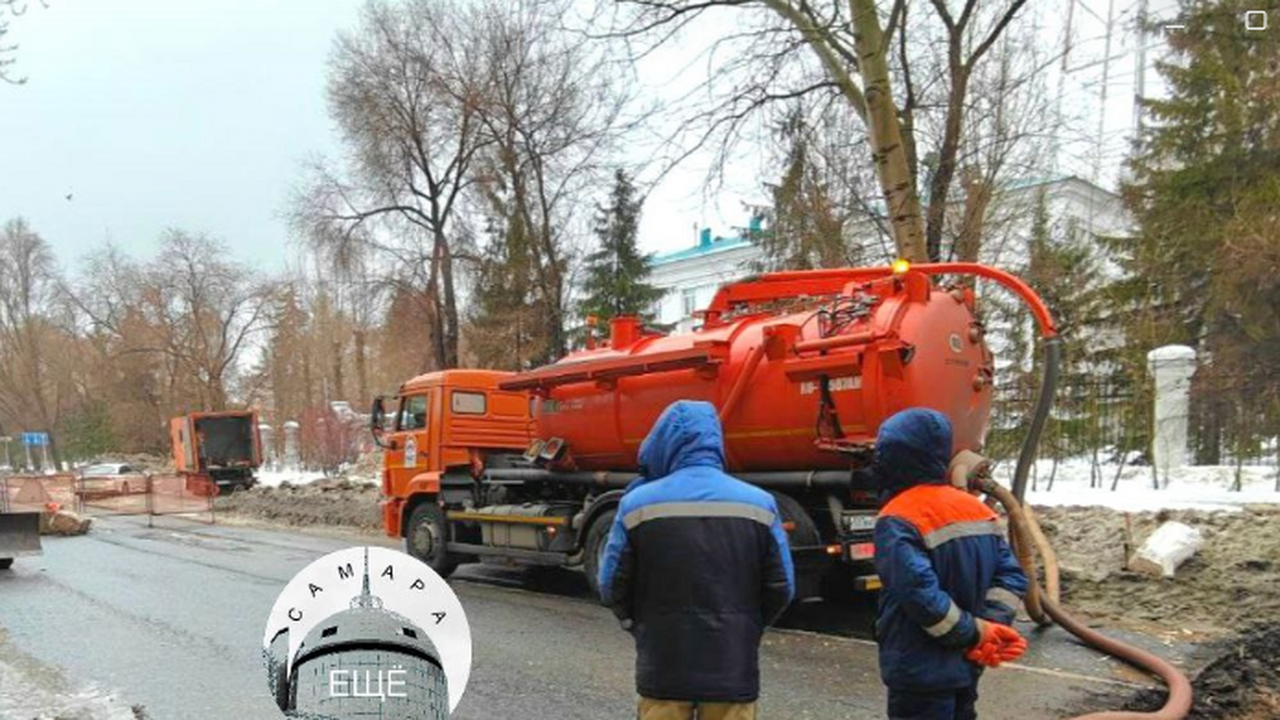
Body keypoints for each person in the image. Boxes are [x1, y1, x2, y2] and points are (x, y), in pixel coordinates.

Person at [598, 400, 795, 720]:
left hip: (663, 664)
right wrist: (749, 627)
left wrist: (638, 625)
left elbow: (611, 585)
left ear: (664, 441)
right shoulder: (760, 504)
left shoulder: (636, 505)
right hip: (733, 666)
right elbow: (781, 587)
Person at [873, 407, 1030, 720]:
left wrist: (974, 632)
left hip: (919, 670)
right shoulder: (976, 510)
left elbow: (920, 596)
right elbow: (1011, 578)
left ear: (892, 457)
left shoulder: (898, 517)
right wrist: (992, 625)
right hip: (967, 664)